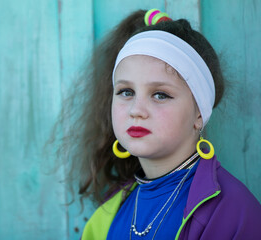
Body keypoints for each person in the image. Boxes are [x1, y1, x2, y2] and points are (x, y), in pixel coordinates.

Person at [52, 9, 261, 239]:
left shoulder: (232, 212)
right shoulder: (106, 216)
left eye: (160, 95)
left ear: (199, 114)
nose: (136, 110)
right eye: (126, 92)